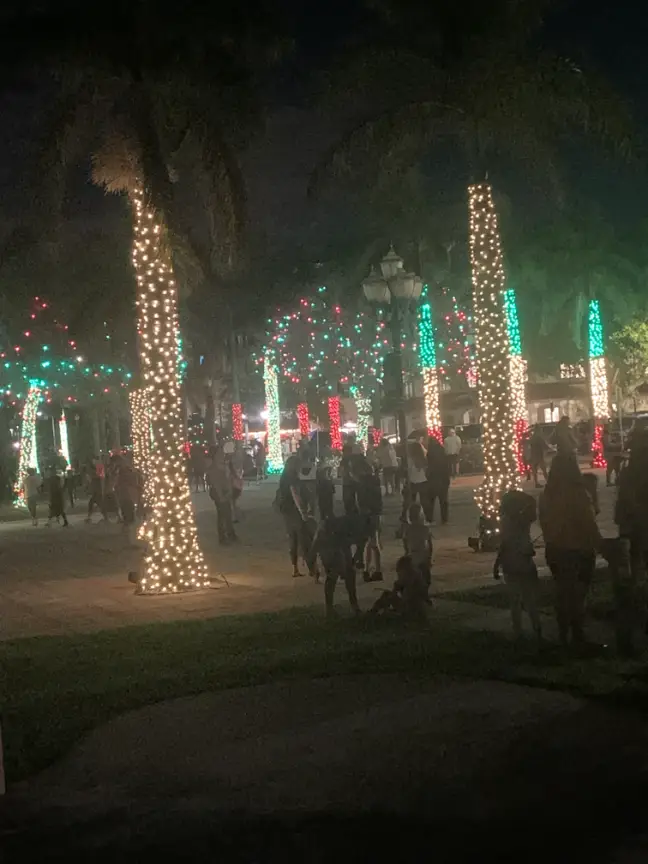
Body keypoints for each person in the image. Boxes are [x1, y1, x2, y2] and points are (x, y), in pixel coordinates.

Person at [539, 453, 600, 646]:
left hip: (555, 549)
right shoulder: (578, 493)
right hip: (578, 548)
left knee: (563, 592)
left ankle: (563, 633)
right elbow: (589, 522)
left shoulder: (547, 495)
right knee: (579, 593)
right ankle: (577, 632)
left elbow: (544, 522)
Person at [493, 490, 541, 641]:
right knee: (530, 598)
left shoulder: (506, 521)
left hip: (510, 562)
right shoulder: (524, 520)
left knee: (515, 599)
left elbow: (505, 544)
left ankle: (518, 630)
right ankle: (536, 626)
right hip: (525, 560)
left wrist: (497, 563)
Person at [312, 514, 365, 616]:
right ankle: (329, 608)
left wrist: (352, 563)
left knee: (349, 573)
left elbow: (360, 548)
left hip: (339, 539)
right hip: (329, 539)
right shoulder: (330, 530)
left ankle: (353, 606)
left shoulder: (359, 529)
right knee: (333, 573)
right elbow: (317, 545)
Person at [277, 456, 316, 578]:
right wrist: (303, 512)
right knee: (304, 540)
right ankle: (312, 569)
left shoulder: (284, 477)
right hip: (294, 512)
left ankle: (295, 568)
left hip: (286, 511)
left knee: (293, 539)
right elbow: (295, 495)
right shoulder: (292, 478)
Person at [350, 454, 383, 582]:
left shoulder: (362, 483)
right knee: (372, 543)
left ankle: (372, 569)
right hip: (375, 513)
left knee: (371, 543)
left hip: (367, 515)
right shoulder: (374, 480)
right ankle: (371, 569)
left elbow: (361, 501)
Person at [369, 555, 429, 622]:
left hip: (411, 612)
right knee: (387, 595)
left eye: (399, 571)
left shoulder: (409, 579)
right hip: (413, 609)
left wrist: (395, 588)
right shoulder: (416, 576)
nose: (398, 574)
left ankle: (372, 614)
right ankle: (373, 613)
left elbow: (405, 599)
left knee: (386, 613)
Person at [206, 446, 237, 545]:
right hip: (219, 494)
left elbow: (227, 480)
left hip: (224, 492)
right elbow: (216, 484)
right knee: (223, 515)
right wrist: (221, 496)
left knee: (226, 514)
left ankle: (229, 534)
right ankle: (224, 536)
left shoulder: (223, 465)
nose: (222, 454)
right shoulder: (214, 468)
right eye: (219, 453)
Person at [403, 502, 432, 587]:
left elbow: (405, 545)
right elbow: (430, 546)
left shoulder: (407, 530)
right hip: (423, 556)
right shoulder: (425, 529)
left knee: (414, 580)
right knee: (425, 579)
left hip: (412, 555)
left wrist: (407, 553)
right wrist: (429, 558)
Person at [404, 438, 431, 521]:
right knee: (424, 501)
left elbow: (409, 471)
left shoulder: (410, 459)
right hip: (423, 480)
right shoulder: (422, 458)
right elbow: (426, 469)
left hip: (413, 481)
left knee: (411, 501)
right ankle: (427, 517)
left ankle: (411, 517)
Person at [426, 435, 450, 524]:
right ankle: (444, 519)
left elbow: (429, 464)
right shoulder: (442, 450)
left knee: (431, 500)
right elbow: (446, 465)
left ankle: (430, 518)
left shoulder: (430, 452)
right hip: (442, 478)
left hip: (433, 479)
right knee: (443, 500)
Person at [115, 455, 140, 540]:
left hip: (127, 495)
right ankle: (128, 531)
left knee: (128, 511)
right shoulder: (123, 471)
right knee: (127, 511)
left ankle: (128, 531)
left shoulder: (124, 471)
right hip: (126, 495)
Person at [86, 458, 107, 523]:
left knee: (97, 504)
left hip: (98, 491)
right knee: (94, 504)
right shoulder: (96, 471)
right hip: (96, 491)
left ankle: (106, 518)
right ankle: (89, 517)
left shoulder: (98, 470)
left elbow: (99, 478)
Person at [340, 442, 358, 515]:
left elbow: (342, 471)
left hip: (348, 482)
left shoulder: (345, 460)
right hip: (351, 481)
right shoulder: (352, 459)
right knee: (351, 499)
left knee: (348, 499)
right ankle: (352, 511)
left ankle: (350, 512)